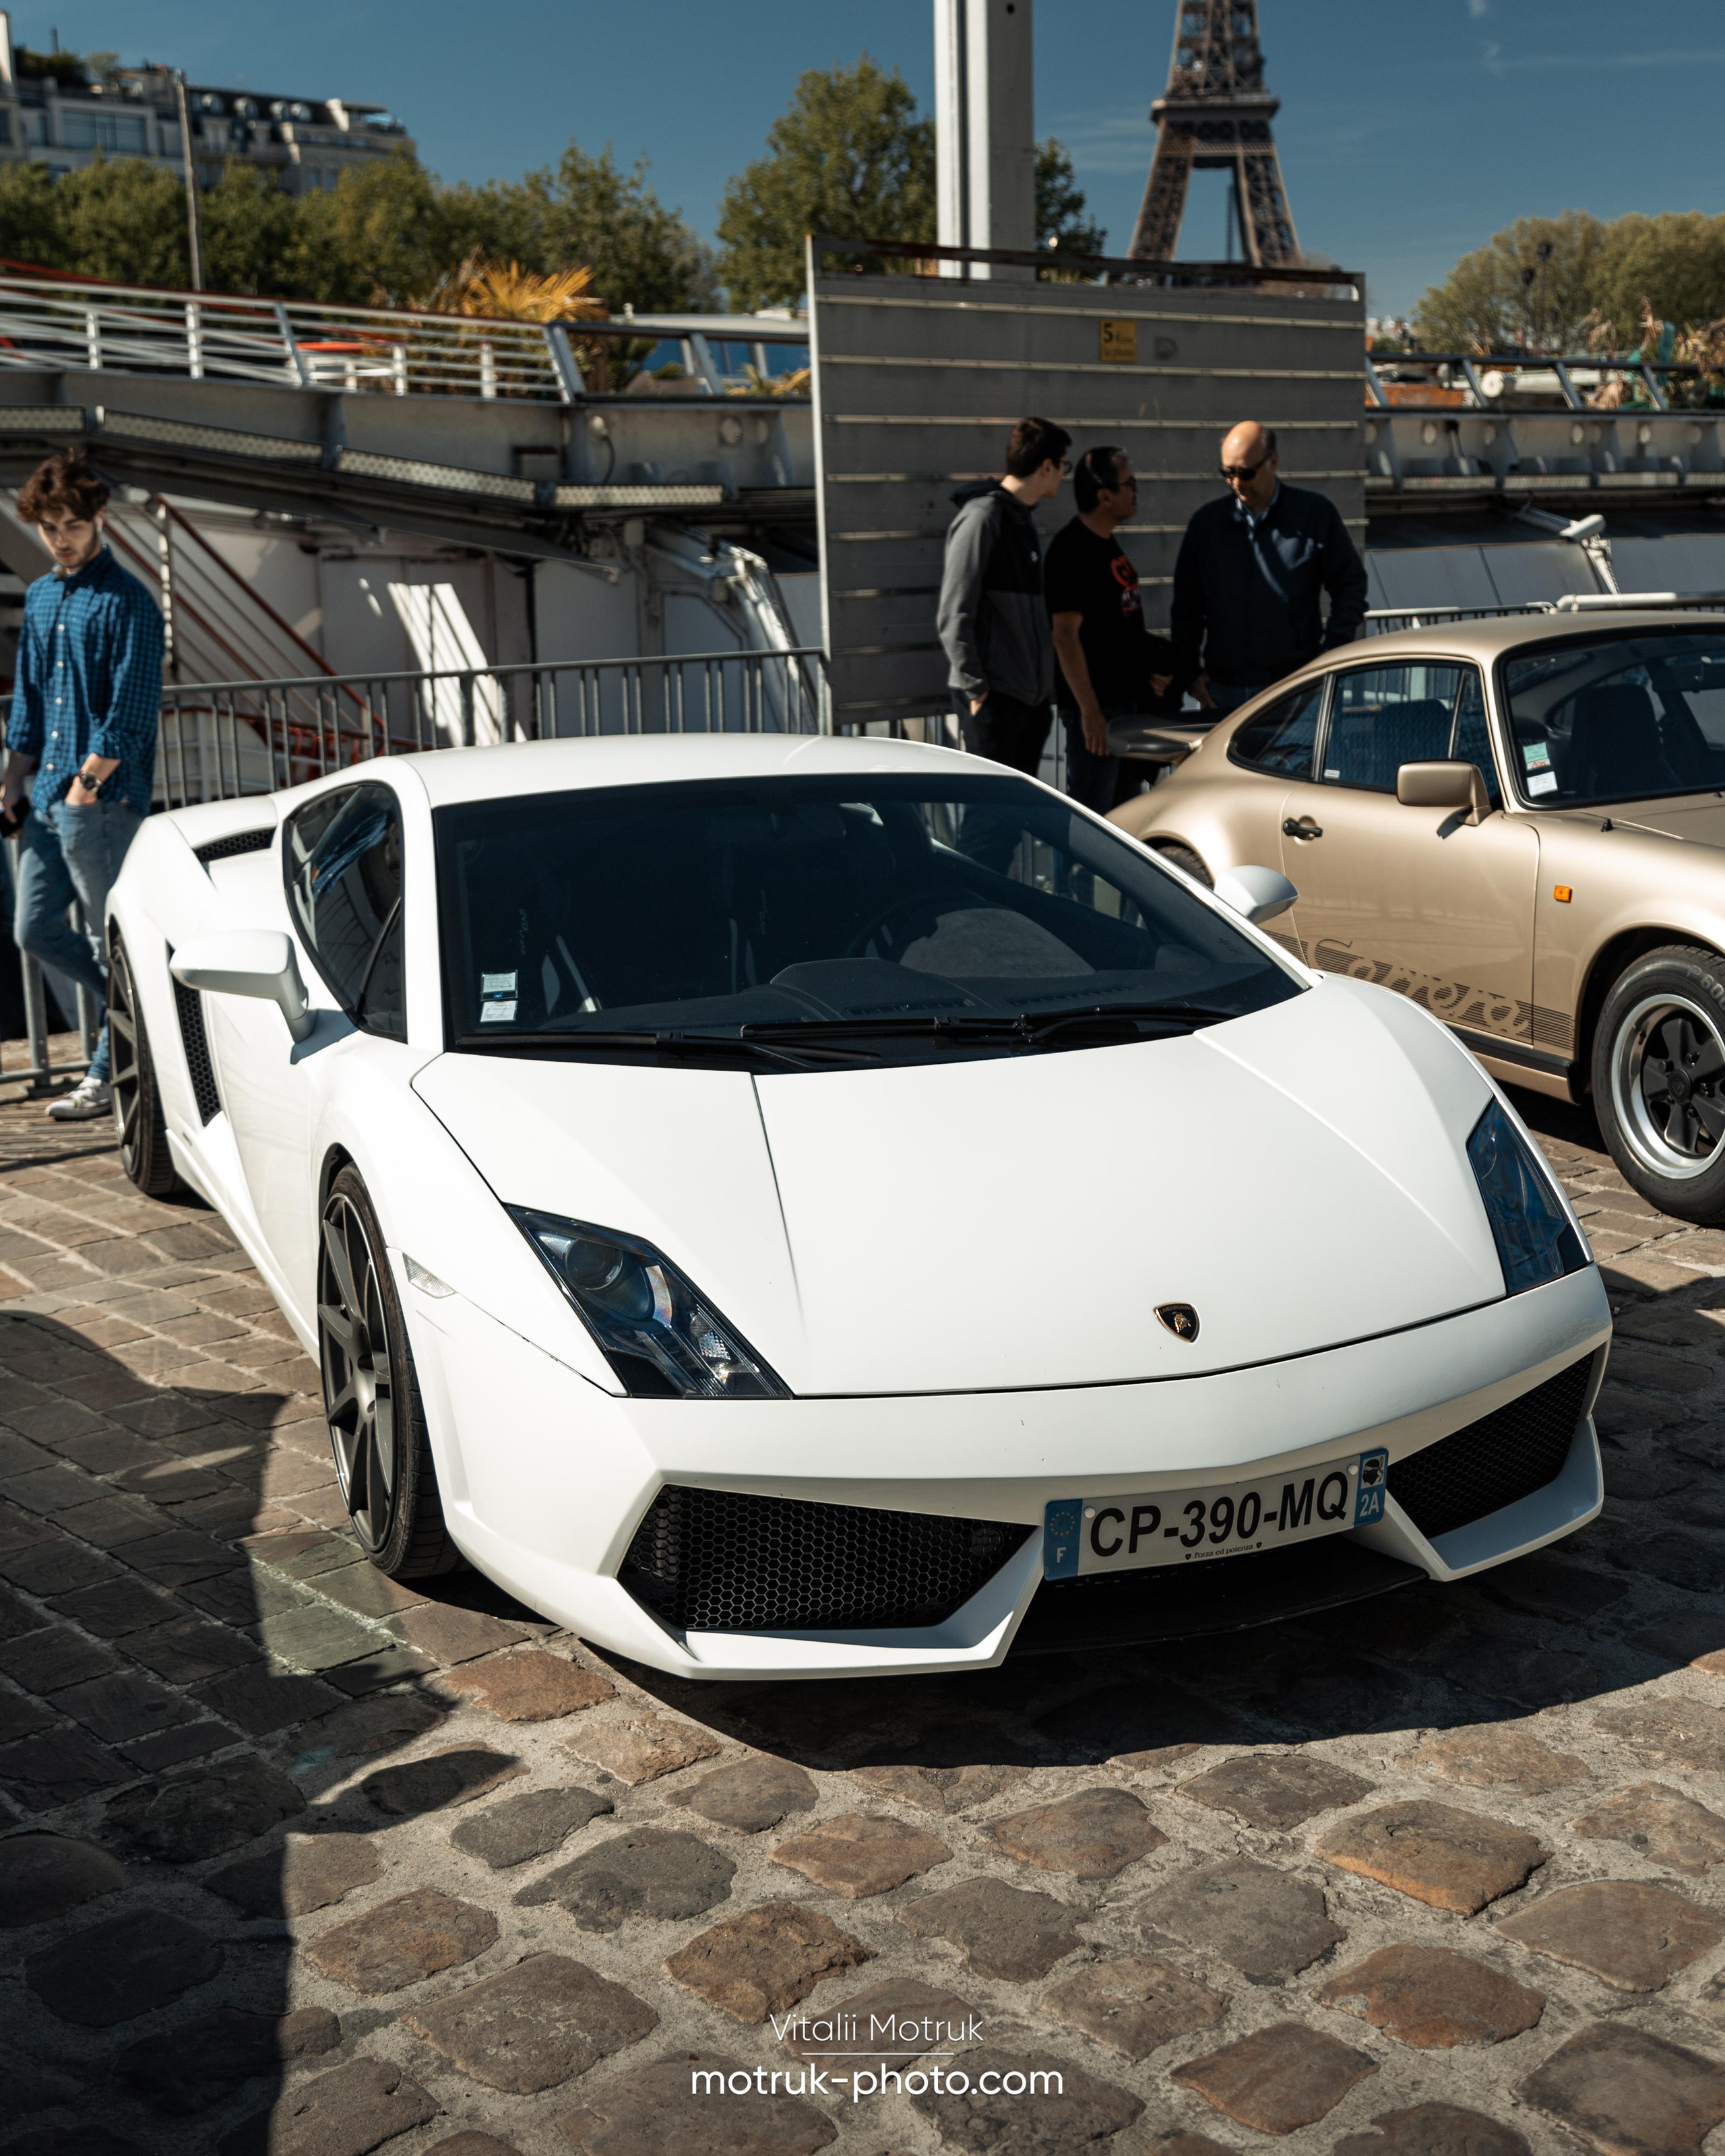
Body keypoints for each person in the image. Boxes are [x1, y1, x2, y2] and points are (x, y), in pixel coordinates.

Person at [1, 452, 164, 1120]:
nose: (60, 538)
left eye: (72, 524)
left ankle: (105, 1072)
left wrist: (85, 788)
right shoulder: (42, 596)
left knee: (107, 938)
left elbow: (131, 711)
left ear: (98, 518)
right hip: (45, 798)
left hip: (100, 803)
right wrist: (12, 780)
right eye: (49, 527)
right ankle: (140, 1016)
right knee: (34, 930)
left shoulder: (131, 602)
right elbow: (30, 700)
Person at [1170, 420, 1367, 716]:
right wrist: (1190, 674)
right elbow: (1186, 606)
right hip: (1223, 690)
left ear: (1273, 462)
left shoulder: (1314, 514)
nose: (1237, 483)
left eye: (1246, 472)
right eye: (1227, 473)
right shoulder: (1207, 524)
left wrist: (1329, 657)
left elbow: (1350, 585)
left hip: (1298, 689)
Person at [1046, 446, 1179, 815]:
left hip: (1124, 706)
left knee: (1124, 818)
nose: (1136, 492)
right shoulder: (1072, 550)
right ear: (1104, 496)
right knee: (1093, 819)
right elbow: (1065, 636)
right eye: (1129, 484)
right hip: (1099, 714)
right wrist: (1090, 713)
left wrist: (1149, 669)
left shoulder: (1106, 542)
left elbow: (1115, 631)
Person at [937, 415, 1071, 780]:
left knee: (1016, 809)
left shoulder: (1021, 520)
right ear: (1047, 466)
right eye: (1064, 465)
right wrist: (977, 690)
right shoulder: (982, 518)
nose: (1064, 475)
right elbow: (954, 613)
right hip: (997, 701)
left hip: (1028, 700)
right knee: (989, 810)